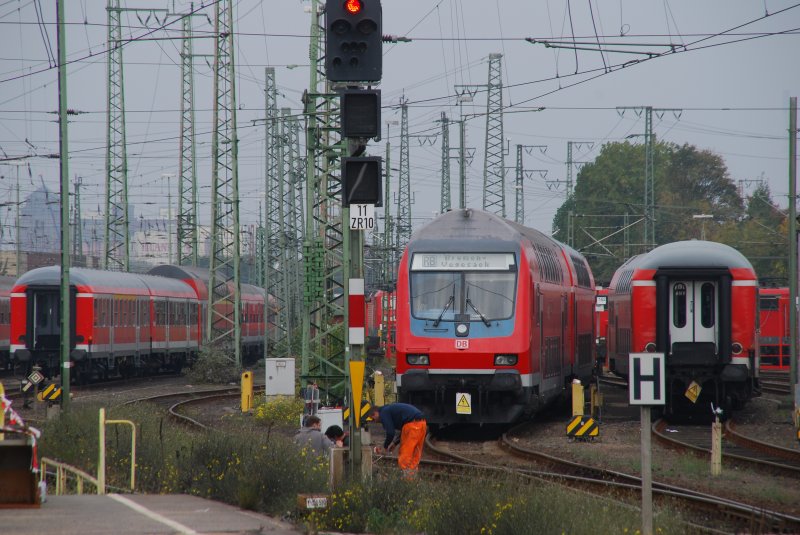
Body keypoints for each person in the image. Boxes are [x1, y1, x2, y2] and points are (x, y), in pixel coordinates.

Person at [368, 403, 426, 478]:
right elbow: (404, 427)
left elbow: (390, 432)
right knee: (415, 456)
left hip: (412, 427)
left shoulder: (384, 413)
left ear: (375, 413)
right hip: (422, 424)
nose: (374, 421)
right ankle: (412, 481)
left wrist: (385, 447)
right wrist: (395, 443)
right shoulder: (389, 409)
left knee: (405, 457)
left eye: (373, 418)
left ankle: (406, 482)